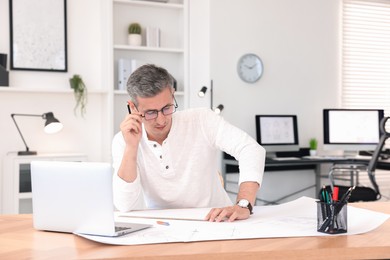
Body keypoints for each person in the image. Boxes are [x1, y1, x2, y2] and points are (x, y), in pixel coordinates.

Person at [112, 64, 265, 222]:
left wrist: (243, 204)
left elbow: (251, 149)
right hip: (164, 227)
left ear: (172, 95)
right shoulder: (123, 141)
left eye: (167, 108)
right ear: (133, 107)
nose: (161, 120)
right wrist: (131, 147)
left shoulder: (202, 120)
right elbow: (124, 205)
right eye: (150, 113)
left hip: (219, 221)